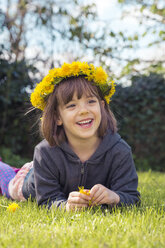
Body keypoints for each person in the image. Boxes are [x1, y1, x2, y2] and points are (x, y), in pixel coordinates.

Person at [0, 61, 140, 211]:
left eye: (91, 101)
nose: (83, 111)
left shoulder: (119, 150)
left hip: (46, 169)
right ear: (57, 117)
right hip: (32, 178)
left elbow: (131, 197)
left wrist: (115, 197)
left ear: (102, 106)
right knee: (10, 186)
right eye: (72, 105)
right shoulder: (45, 153)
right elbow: (47, 200)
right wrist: (65, 206)